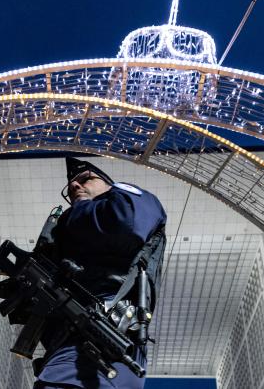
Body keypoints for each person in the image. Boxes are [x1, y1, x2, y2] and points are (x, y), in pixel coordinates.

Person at [33, 156, 167, 389]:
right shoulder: (71, 229)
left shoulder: (127, 199)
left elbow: (126, 224)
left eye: (85, 179)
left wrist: (74, 213)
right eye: (71, 186)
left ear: (109, 185)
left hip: (106, 340)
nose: (75, 186)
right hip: (70, 346)